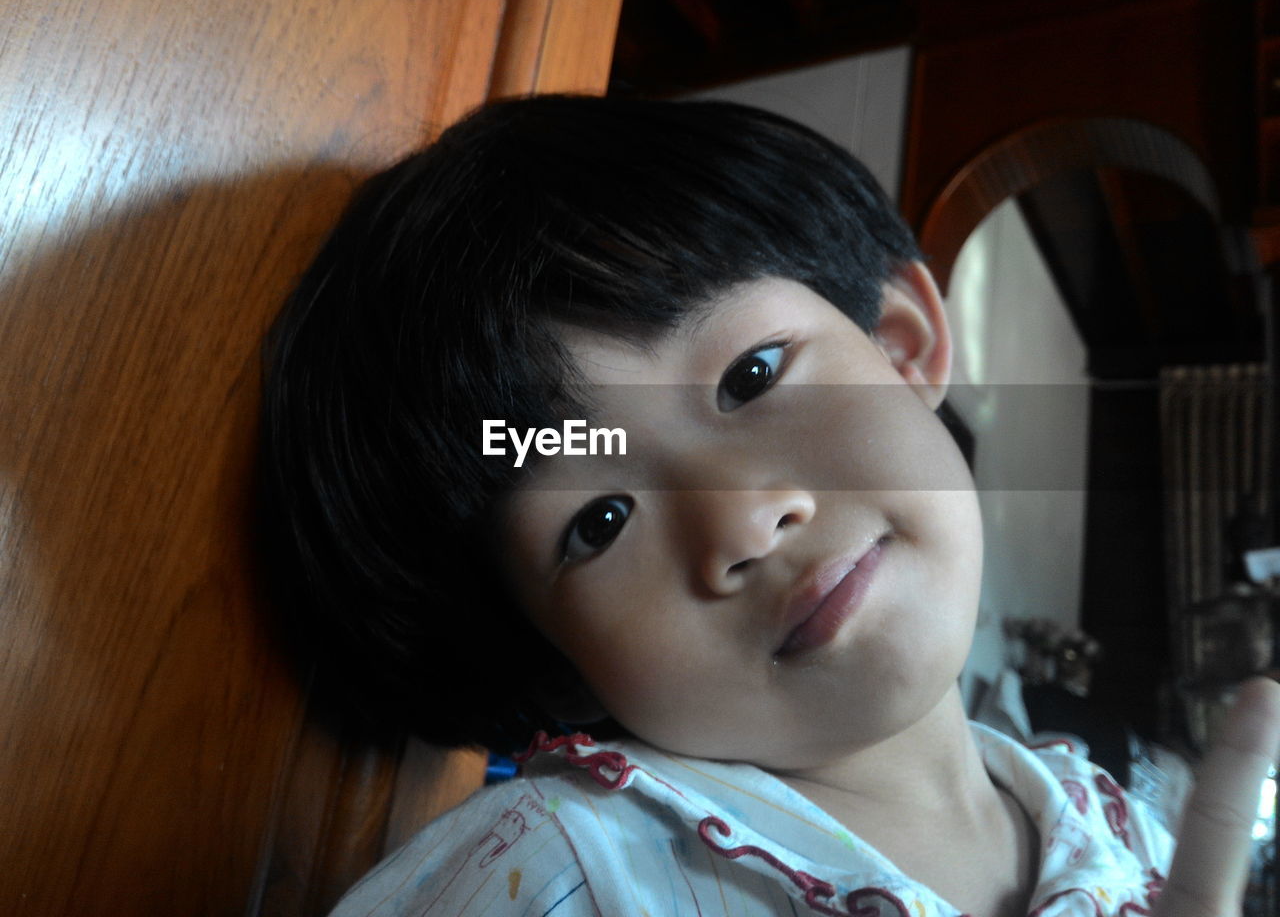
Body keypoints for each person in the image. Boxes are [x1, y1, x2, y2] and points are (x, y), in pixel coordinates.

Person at [259, 94, 1280, 916]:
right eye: (597, 521)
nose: (746, 521)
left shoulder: (1134, 839)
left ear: (897, 343)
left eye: (749, 376)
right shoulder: (547, 876)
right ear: (557, 665)